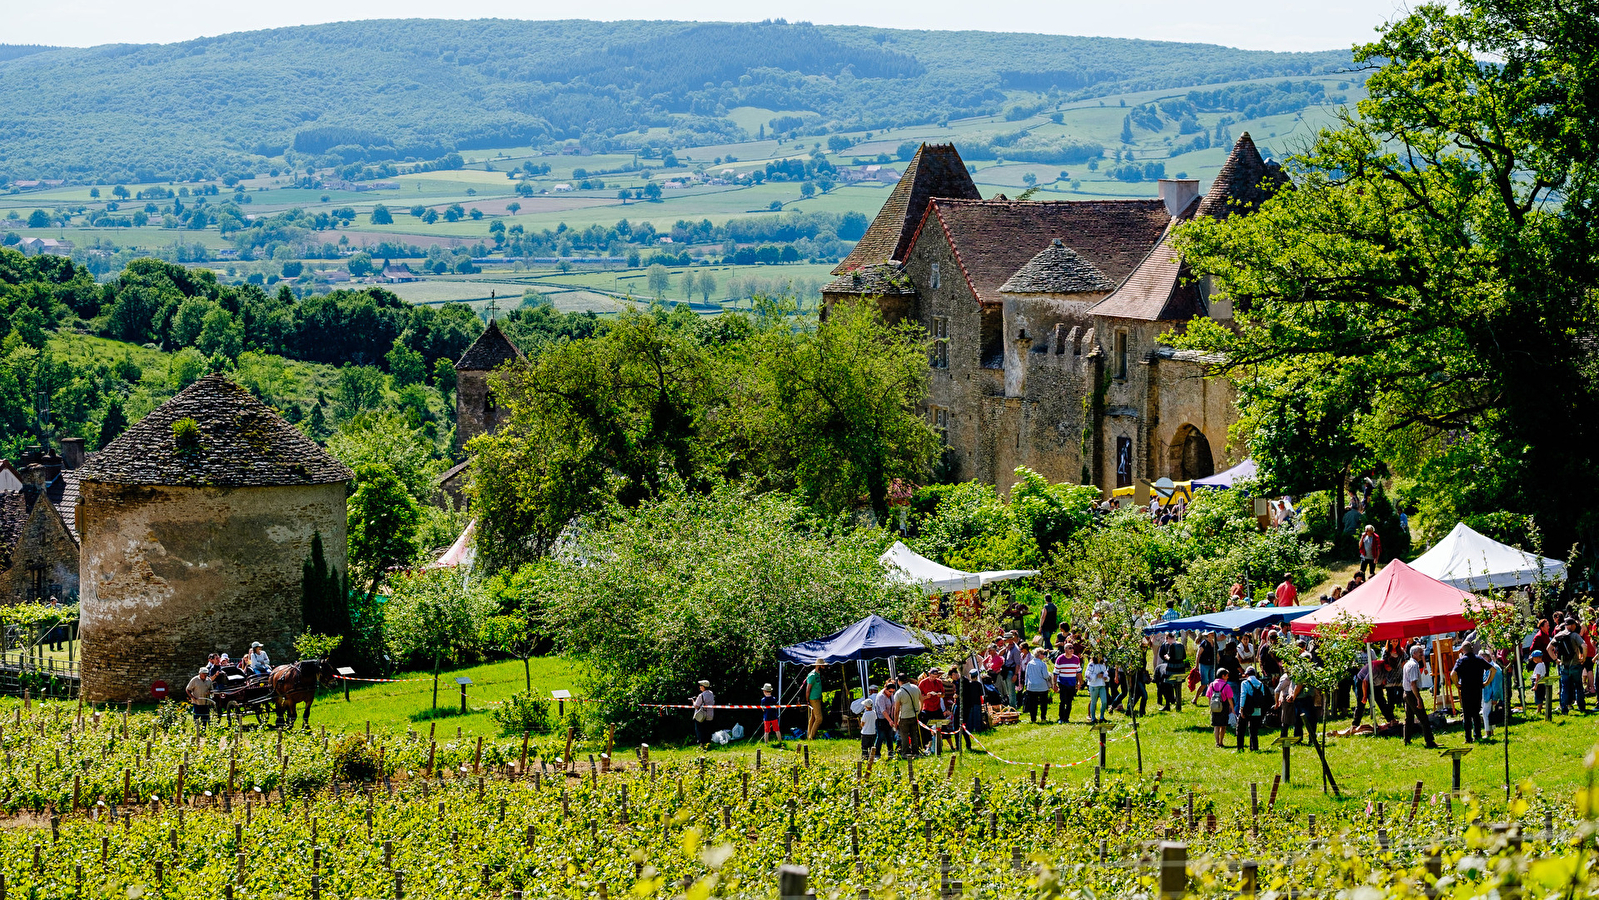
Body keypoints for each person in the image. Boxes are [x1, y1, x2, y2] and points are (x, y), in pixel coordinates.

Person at [1451, 642, 1491, 743]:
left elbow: (1453, 674)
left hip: (1466, 689)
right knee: (1476, 713)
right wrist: (1486, 682)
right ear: (1472, 648)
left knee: (1467, 715)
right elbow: (1493, 670)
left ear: (1462, 650)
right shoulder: (1479, 659)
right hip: (1477, 688)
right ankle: (1477, 735)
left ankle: (1468, 738)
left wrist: (1457, 684)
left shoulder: (1461, 661)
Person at [1401, 645, 1439, 748]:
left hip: (1406, 693)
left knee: (1409, 718)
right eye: (1420, 653)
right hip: (1412, 693)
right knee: (1423, 718)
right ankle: (1430, 742)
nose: (1422, 655)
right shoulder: (1413, 665)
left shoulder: (1407, 664)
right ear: (1414, 654)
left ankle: (1407, 740)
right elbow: (1413, 683)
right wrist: (1418, 698)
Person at [1554, 618, 1586, 714]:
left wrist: (1555, 659)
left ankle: (1564, 709)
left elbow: (1549, 648)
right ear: (1572, 625)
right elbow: (1584, 646)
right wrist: (1583, 658)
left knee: (1564, 688)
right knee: (1578, 686)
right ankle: (1581, 707)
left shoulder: (1559, 635)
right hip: (1575, 664)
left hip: (1564, 665)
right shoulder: (1575, 635)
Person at [1236, 666, 1266, 751]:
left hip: (1247, 708)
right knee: (1254, 730)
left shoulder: (1245, 683)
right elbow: (1263, 696)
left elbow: (1243, 696)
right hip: (1257, 709)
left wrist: (1241, 708)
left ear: (1246, 674)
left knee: (1241, 729)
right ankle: (1254, 747)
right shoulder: (1260, 684)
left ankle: (1240, 747)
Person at [893, 676, 922, 757]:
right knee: (914, 735)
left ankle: (905, 753)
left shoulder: (899, 692)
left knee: (904, 735)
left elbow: (897, 710)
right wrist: (919, 710)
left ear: (899, 681)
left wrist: (895, 722)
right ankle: (916, 752)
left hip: (904, 716)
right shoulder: (915, 688)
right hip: (914, 715)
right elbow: (921, 700)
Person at [1157, 633, 1186, 711]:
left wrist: (1167, 657)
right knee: (1178, 686)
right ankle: (1178, 705)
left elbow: (1171, 658)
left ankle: (1167, 705)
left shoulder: (1172, 646)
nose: (1167, 642)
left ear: (1169, 638)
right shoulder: (1181, 645)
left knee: (1167, 686)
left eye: (1167, 640)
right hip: (1180, 668)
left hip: (1172, 668)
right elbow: (1184, 656)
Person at [1206, 668, 1235, 748]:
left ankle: (1217, 742)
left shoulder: (1211, 684)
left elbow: (1209, 696)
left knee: (1216, 725)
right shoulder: (1226, 686)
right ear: (1223, 676)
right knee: (1223, 725)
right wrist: (1232, 709)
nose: (1228, 677)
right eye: (1227, 675)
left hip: (1214, 706)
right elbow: (1229, 698)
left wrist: (1210, 707)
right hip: (1223, 706)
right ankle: (1221, 741)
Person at [1054, 643, 1082, 723]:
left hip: (1072, 683)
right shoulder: (1060, 659)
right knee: (1063, 701)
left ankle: (1066, 718)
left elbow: (1079, 672)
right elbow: (1055, 673)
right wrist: (1054, 684)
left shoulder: (1076, 659)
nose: (1072, 649)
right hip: (1062, 682)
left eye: (1072, 648)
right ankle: (1061, 718)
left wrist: (1079, 682)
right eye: (1070, 648)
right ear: (1065, 650)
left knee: (1069, 701)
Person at [1023, 648, 1052, 724]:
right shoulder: (1042, 664)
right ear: (1039, 655)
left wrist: (1026, 684)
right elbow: (1045, 676)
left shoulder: (1029, 663)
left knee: (1033, 704)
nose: (1044, 656)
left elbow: (1027, 675)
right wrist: (1049, 676)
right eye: (1043, 654)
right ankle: (1043, 717)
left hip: (1031, 686)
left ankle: (1033, 718)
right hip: (1042, 686)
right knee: (1043, 703)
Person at [873, 681, 898, 758]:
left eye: (892, 692)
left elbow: (893, 706)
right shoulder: (881, 696)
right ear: (885, 689)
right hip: (881, 719)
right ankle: (876, 754)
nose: (891, 693)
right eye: (890, 691)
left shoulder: (891, 695)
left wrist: (894, 719)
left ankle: (891, 753)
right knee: (881, 736)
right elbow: (883, 711)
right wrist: (890, 720)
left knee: (889, 736)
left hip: (889, 717)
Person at [1084, 653, 1111, 724]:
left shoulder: (1103, 664)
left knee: (1104, 701)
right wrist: (1096, 676)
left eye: (1101, 656)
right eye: (1098, 656)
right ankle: (1093, 718)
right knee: (1093, 702)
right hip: (1093, 686)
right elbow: (1087, 675)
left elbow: (1106, 673)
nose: (1100, 657)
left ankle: (1102, 717)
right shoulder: (1091, 664)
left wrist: (1106, 678)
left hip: (1102, 685)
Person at [1483, 654, 1504, 739]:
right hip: (1486, 694)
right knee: (1488, 713)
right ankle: (1490, 731)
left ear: (1487, 657)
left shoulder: (1495, 668)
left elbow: (1497, 685)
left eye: (1482, 657)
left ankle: (1488, 733)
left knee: (1486, 713)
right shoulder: (1486, 667)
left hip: (1491, 695)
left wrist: (1495, 697)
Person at [691, 680, 716, 749]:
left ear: (703, 687)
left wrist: (693, 701)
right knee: (708, 730)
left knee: (700, 730)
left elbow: (696, 706)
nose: (700, 687)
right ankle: (708, 744)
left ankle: (701, 745)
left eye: (701, 686)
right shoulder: (711, 694)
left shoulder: (701, 695)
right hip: (710, 715)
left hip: (702, 716)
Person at [805, 661, 825, 741]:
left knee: (813, 718)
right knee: (819, 718)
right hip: (814, 699)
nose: (824, 667)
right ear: (818, 665)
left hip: (818, 698)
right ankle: (812, 737)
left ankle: (809, 735)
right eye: (822, 666)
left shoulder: (818, 674)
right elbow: (808, 689)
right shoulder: (812, 675)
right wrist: (807, 700)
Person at [856, 687, 877, 759]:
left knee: (864, 747)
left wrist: (860, 724)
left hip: (865, 732)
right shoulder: (874, 713)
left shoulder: (865, 714)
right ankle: (872, 757)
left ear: (866, 706)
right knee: (871, 746)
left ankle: (865, 757)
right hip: (873, 732)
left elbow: (862, 723)